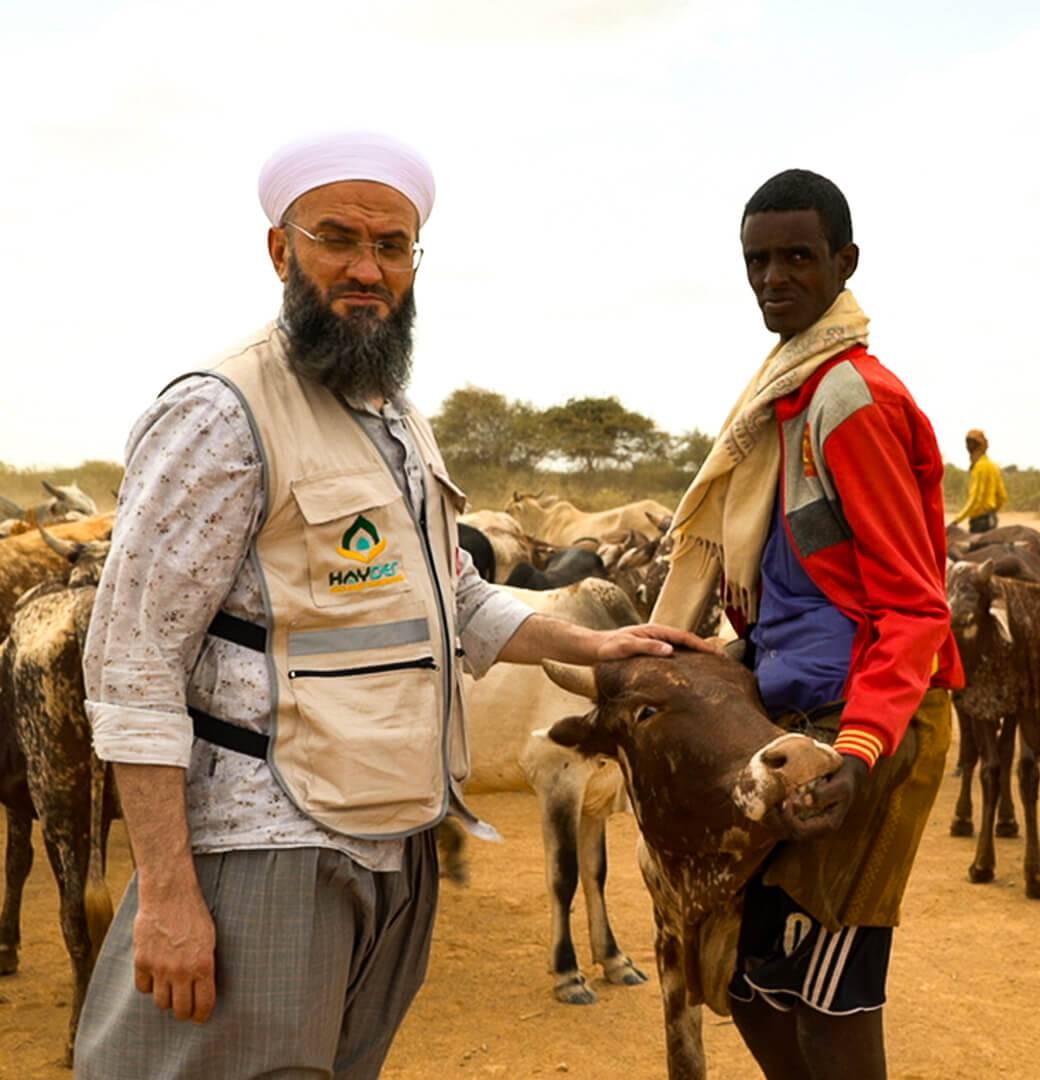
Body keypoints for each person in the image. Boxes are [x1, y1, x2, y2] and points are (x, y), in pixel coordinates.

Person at [73, 131, 709, 1080]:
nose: (367, 268)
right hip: (263, 847)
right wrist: (167, 890)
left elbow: (449, 593)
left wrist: (590, 637)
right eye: (338, 238)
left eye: (393, 246)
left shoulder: (394, 414)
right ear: (281, 249)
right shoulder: (221, 411)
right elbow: (131, 664)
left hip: (394, 840)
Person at [653, 169, 963, 1079]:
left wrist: (860, 754)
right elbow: (798, 587)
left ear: (844, 263)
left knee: (828, 995)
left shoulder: (849, 402)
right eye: (757, 260)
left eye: (797, 256)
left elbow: (913, 604)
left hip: (866, 729)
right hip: (794, 718)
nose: (772, 277)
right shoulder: (781, 403)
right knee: (750, 975)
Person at [950, 428, 1007, 532]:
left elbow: (975, 499)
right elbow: (1002, 497)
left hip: (980, 523)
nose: (967, 447)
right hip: (992, 520)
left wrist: (956, 520)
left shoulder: (979, 467)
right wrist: (991, 511)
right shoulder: (993, 466)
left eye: (969, 444)